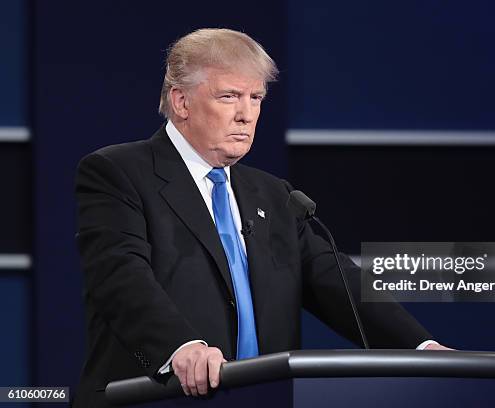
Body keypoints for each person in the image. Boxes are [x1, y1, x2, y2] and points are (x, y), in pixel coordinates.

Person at [73, 28, 449, 408]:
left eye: (256, 98)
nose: (246, 114)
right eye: (229, 96)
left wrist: (420, 347)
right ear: (181, 101)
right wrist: (180, 347)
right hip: (162, 398)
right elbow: (120, 276)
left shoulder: (274, 194)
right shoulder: (118, 172)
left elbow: (334, 279)